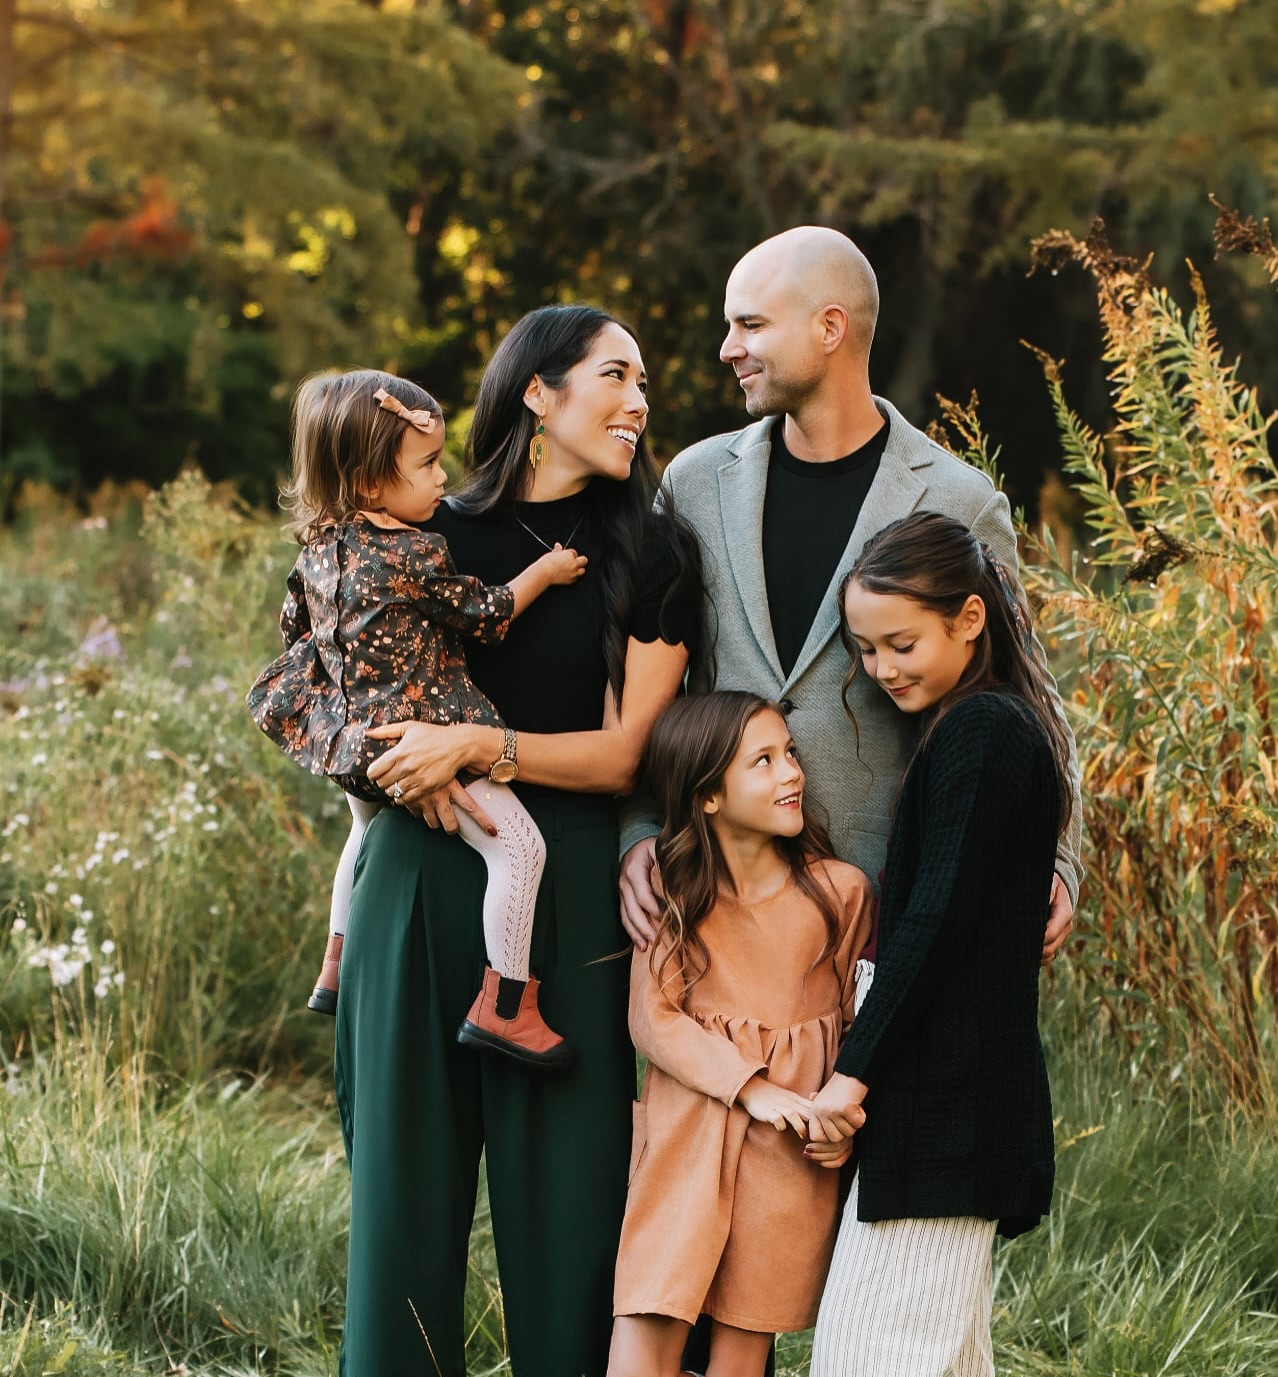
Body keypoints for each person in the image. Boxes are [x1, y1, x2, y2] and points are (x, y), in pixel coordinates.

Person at [616, 224, 1084, 1375]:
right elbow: (663, 678)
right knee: (689, 1223)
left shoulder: (956, 495)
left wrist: (1057, 865)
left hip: (874, 916)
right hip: (720, 902)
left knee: (808, 1246)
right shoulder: (696, 479)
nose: (728, 345)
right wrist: (644, 833)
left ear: (832, 329)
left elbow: (1034, 694)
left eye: (748, 321)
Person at [331, 308, 701, 1377]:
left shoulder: (650, 548)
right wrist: (390, 772)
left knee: (573, 1227)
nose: (639, 400)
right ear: (537, 392)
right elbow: (345, 683)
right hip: (413, 880)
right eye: (614, 376)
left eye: (645, 381)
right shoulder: (423, 529)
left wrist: (475, 745)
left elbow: (629, 753)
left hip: (568, 893)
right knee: (400, 1219)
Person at [247, 370, 583, 1067]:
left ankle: (335, 959)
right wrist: (542, 575)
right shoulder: (412, 551)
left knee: (360, 835)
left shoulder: (317, 552)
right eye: (427, 464)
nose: (442, 479)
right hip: (421, 736)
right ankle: (507, 1004)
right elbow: (483, 614)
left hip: (353, 741)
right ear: (371, 482)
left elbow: (296, 635)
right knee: (519, 849)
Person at [805, 510, 1070, 1374]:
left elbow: (935, 921)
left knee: (865, 1356)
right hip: (937, 1100)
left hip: (950, 1106)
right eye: (865, 648)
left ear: (968, 618)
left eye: (901, 643)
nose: (880, 668)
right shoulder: (966, 727)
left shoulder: (983, 734)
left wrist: (852, 1069)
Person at [606, 691, 871, 1377]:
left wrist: (839, 1122)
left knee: (740, 1356)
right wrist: (749, 1087)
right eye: (763, 760)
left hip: (787, 1165)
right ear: (709, 796)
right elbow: (652, 1019)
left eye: (790, 753)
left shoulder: (839, 893)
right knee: (644, 1333)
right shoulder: (675, 896)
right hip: (684, 1144)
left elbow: (858, 1025)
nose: (791, 773)